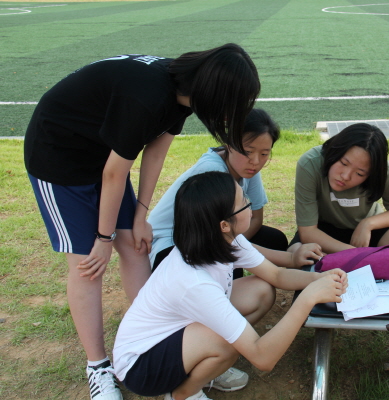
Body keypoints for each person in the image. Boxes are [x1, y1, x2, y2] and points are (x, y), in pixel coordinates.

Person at [23, 44, 260, 400]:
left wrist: (140, 216)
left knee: (136, 246)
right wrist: (103, 238)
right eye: (233, 104)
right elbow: (114, 174)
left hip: (103, 157)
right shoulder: (147, 96)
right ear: (213, 91)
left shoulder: (184, 94)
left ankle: (165, 344)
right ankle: (98, 366)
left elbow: (155, 153)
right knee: (88, 265)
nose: (232, 115)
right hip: (58, 159)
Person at [113, 171, 347, 400]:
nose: (249, 202)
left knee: (261, 290)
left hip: (177, 332)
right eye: (243, 201)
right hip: (141, 365)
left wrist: (320, 279)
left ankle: (205, 362)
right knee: (227, 342)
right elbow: (263, 359)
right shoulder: (194, 282)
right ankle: (182, 394)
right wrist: (307, 298)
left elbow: (276, 275)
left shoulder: (223, 239)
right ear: (224, 224)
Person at [149, 108, 323, 275]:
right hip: (170, 244)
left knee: (273, 240)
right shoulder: (212, 171)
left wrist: (238, 246)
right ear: (229, 144)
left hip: (215, 237)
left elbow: (255, 218)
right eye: (248, 151)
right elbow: (219, 239)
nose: (256, 161)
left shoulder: (247, 168)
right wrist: (289, 258)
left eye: (264, 154)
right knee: (230, 260)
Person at [289, 123, 389, 254]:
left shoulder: (382, 170)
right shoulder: (310, 163)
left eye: (359, 173)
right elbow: (308, 232)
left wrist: (367, 224)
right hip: (323, 231)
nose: (345, 176)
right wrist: (357, 254)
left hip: (368, 232)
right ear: (334, 151)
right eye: (343, 163)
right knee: (299, 253)